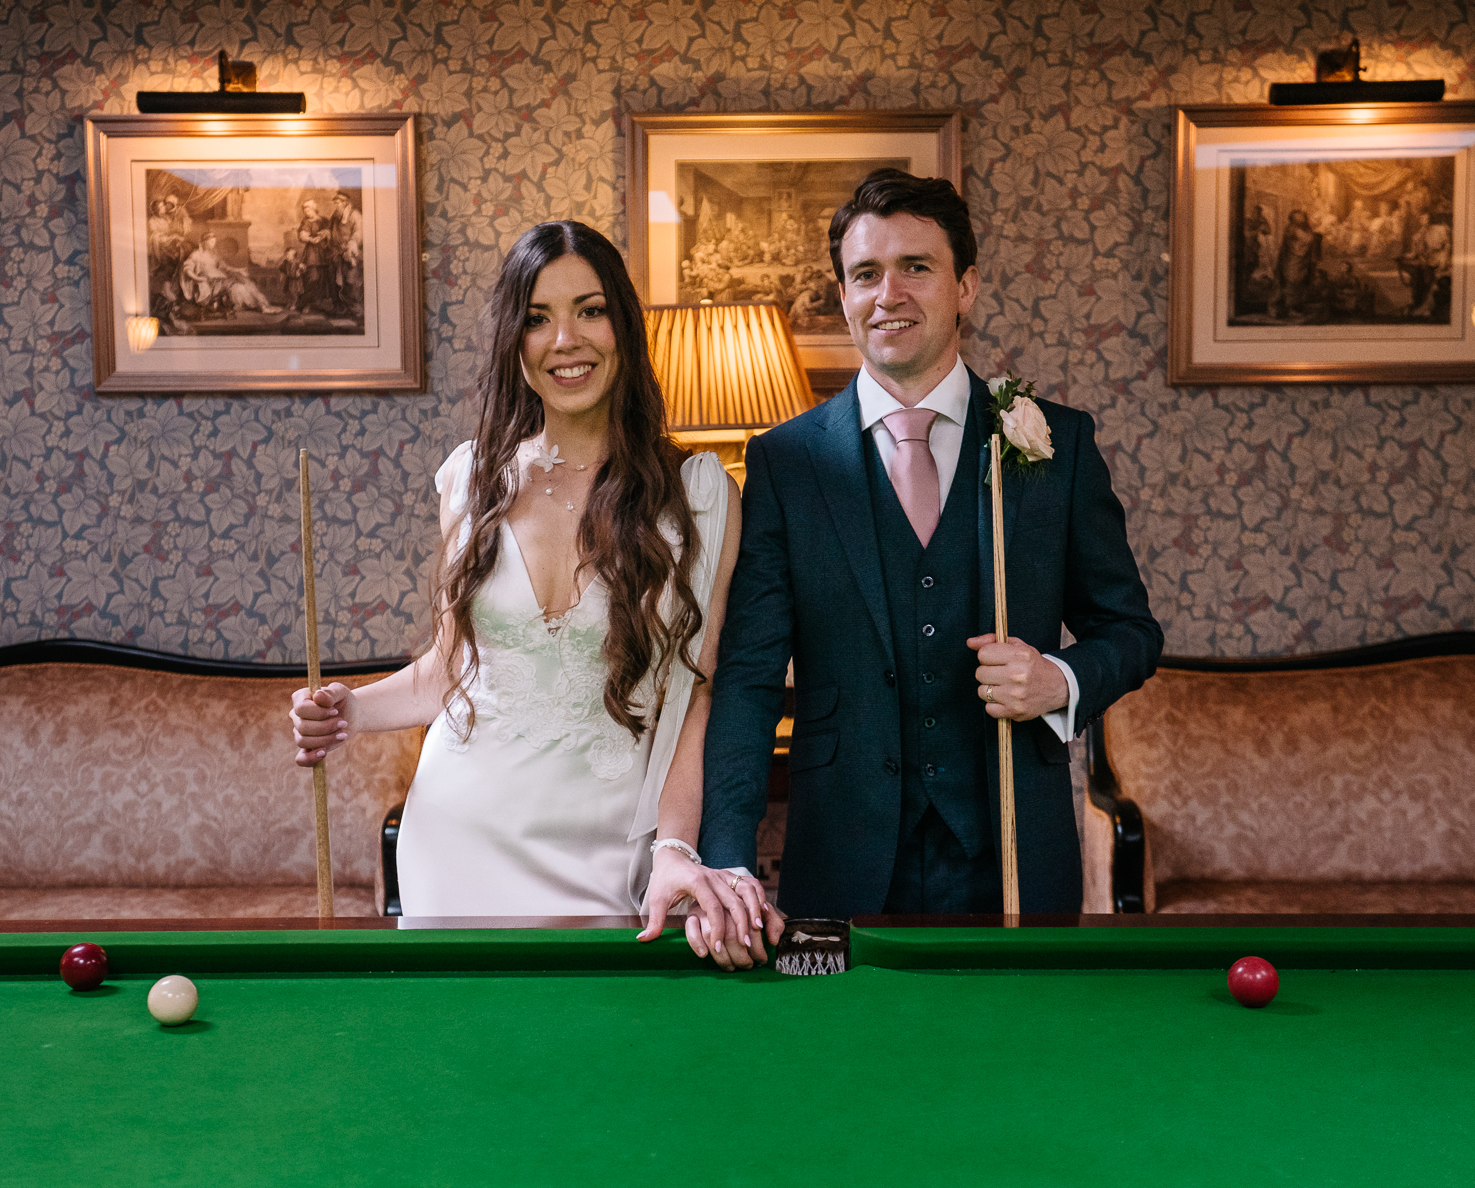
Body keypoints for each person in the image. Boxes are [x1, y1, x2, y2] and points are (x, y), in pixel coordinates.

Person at [289, 221, 780, 969]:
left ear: (622, 324)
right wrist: (350, 709)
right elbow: (452, 671)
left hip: (603, 855)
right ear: (514, 344)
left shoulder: (700, 494)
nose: (565, 340)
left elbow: (695, 696)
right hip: (454, 840)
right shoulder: (470, 478)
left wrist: (677, 846)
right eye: (537, 318)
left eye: (589, 310)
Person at [698, 169, 1162, 918]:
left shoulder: (1057, 446)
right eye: (866, 274)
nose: (890, 294)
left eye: (916, 267)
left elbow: (1132, 632)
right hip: (841, 861)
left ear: (966, 287)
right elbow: (749, 680)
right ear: (843, 295)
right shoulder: (785, 464)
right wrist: (725, 859)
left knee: (1019, 1040)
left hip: (1015, 854)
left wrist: (1059, 682)